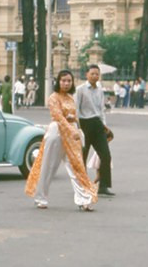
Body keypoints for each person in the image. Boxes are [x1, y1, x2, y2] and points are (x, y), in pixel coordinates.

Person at [24, 70, 98, 211]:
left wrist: (76, 126)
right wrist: (71, 130)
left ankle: (84, 199)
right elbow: (58, 117)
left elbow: (74, 116)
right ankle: (41, 198)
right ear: (58, 82)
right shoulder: (53, 97)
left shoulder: (71, 97)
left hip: (72, 134)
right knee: (48, 166)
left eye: (69, 81)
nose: (66, 83)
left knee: (77, 167)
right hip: (56, 132)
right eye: (63, 80)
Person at [75, 65, 115, 197]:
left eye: (97, 74)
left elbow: (101, 109)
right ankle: (81, 185)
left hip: (98, 124)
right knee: (82, 156)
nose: (94, 76)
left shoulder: (100, 90)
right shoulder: (80, 90)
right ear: (87, 74)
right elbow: (76, 109)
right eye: (92, 73)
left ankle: (103, 186)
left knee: (105, 155)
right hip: (84, 124)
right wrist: (77, 127)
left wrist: (104, 126)